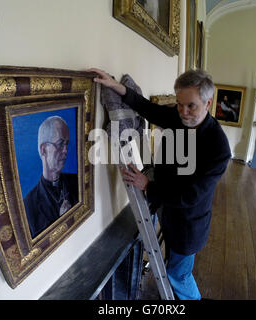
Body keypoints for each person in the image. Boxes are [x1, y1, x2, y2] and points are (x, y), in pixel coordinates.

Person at [90, 68, 231, 300]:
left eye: (191, 106)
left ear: (208, 102)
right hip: (169, 210)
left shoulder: (218, 148)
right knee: (174, 264)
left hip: (189, 223)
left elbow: (190, 196)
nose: (183, 112)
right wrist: (116, 86)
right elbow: (148, 108)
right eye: (179, 104)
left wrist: (147, 185)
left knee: (179, 274)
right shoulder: (178, 116)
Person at [24, 116, 79, 238]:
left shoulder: (78, 181)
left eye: (66, 144)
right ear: (43, 150)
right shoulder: (28, 206)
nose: (65, 150)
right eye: (60, 144)